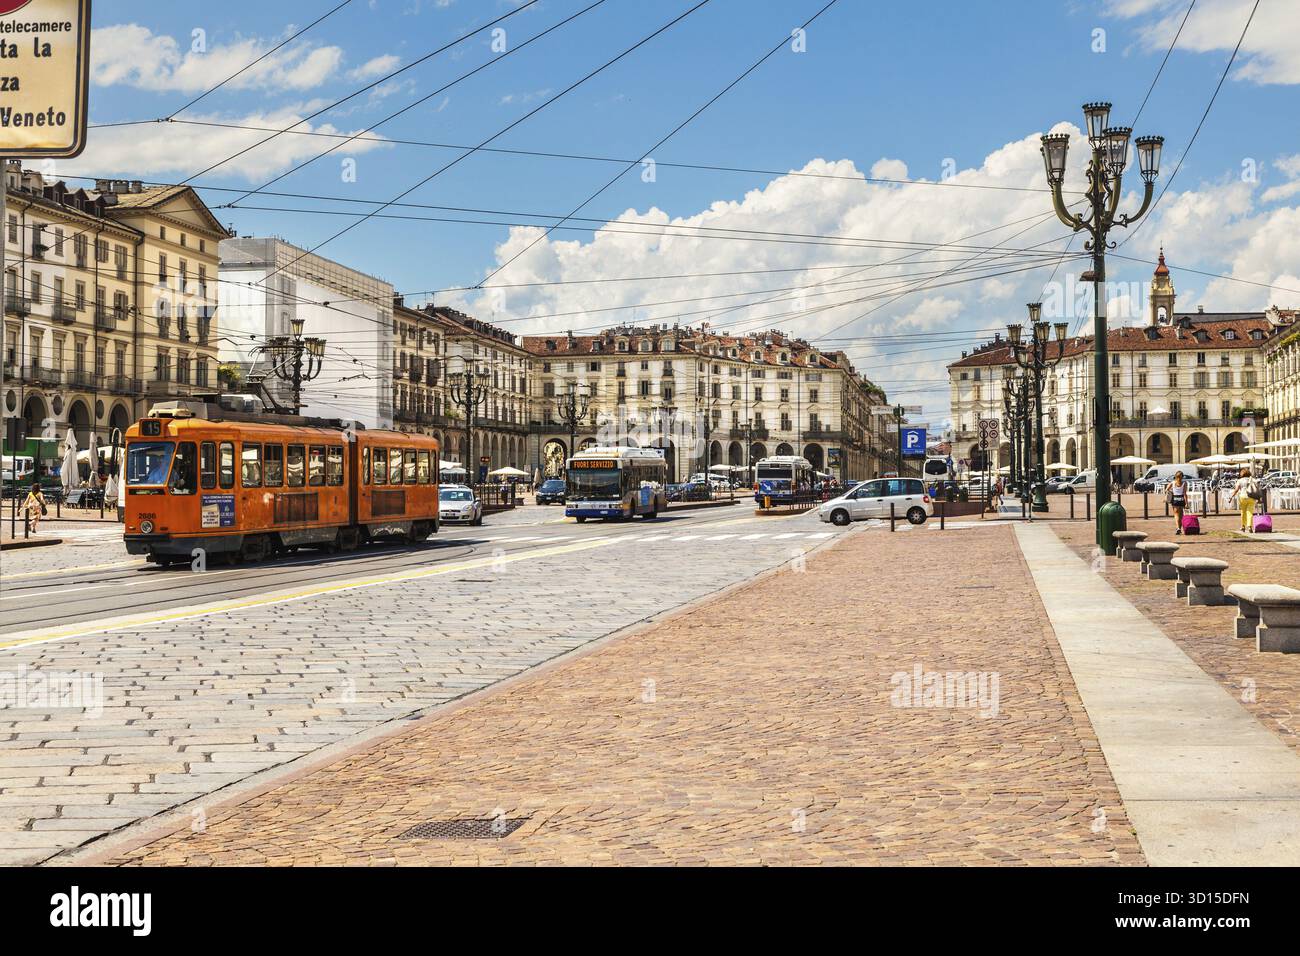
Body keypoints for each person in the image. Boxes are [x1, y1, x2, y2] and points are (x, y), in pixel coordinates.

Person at [1230, 467, 1260, 533]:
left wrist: (1232, 496)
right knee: (1250, 512)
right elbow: (1257, 488)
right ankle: (1249, 526)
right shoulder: (1253, 479)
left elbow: (1236, 490)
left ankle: (1243, 526)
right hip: (1251, 497)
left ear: (1242, 474)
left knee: (1243, 512)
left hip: (1242, 497)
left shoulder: (1240, 480)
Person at [1165, 470, 1188, 535]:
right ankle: (1180, 528)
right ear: (1182, 477)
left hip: (1175, 499)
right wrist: (1186, 503)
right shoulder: (1184, 483)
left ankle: (1178, 528)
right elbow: (1184, 494)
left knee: (1176, 515)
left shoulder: (1173, 483)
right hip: (1181, 499)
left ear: (1175, 476)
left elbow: (1166, 490)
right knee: (1181, 515)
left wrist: (1171, 491)